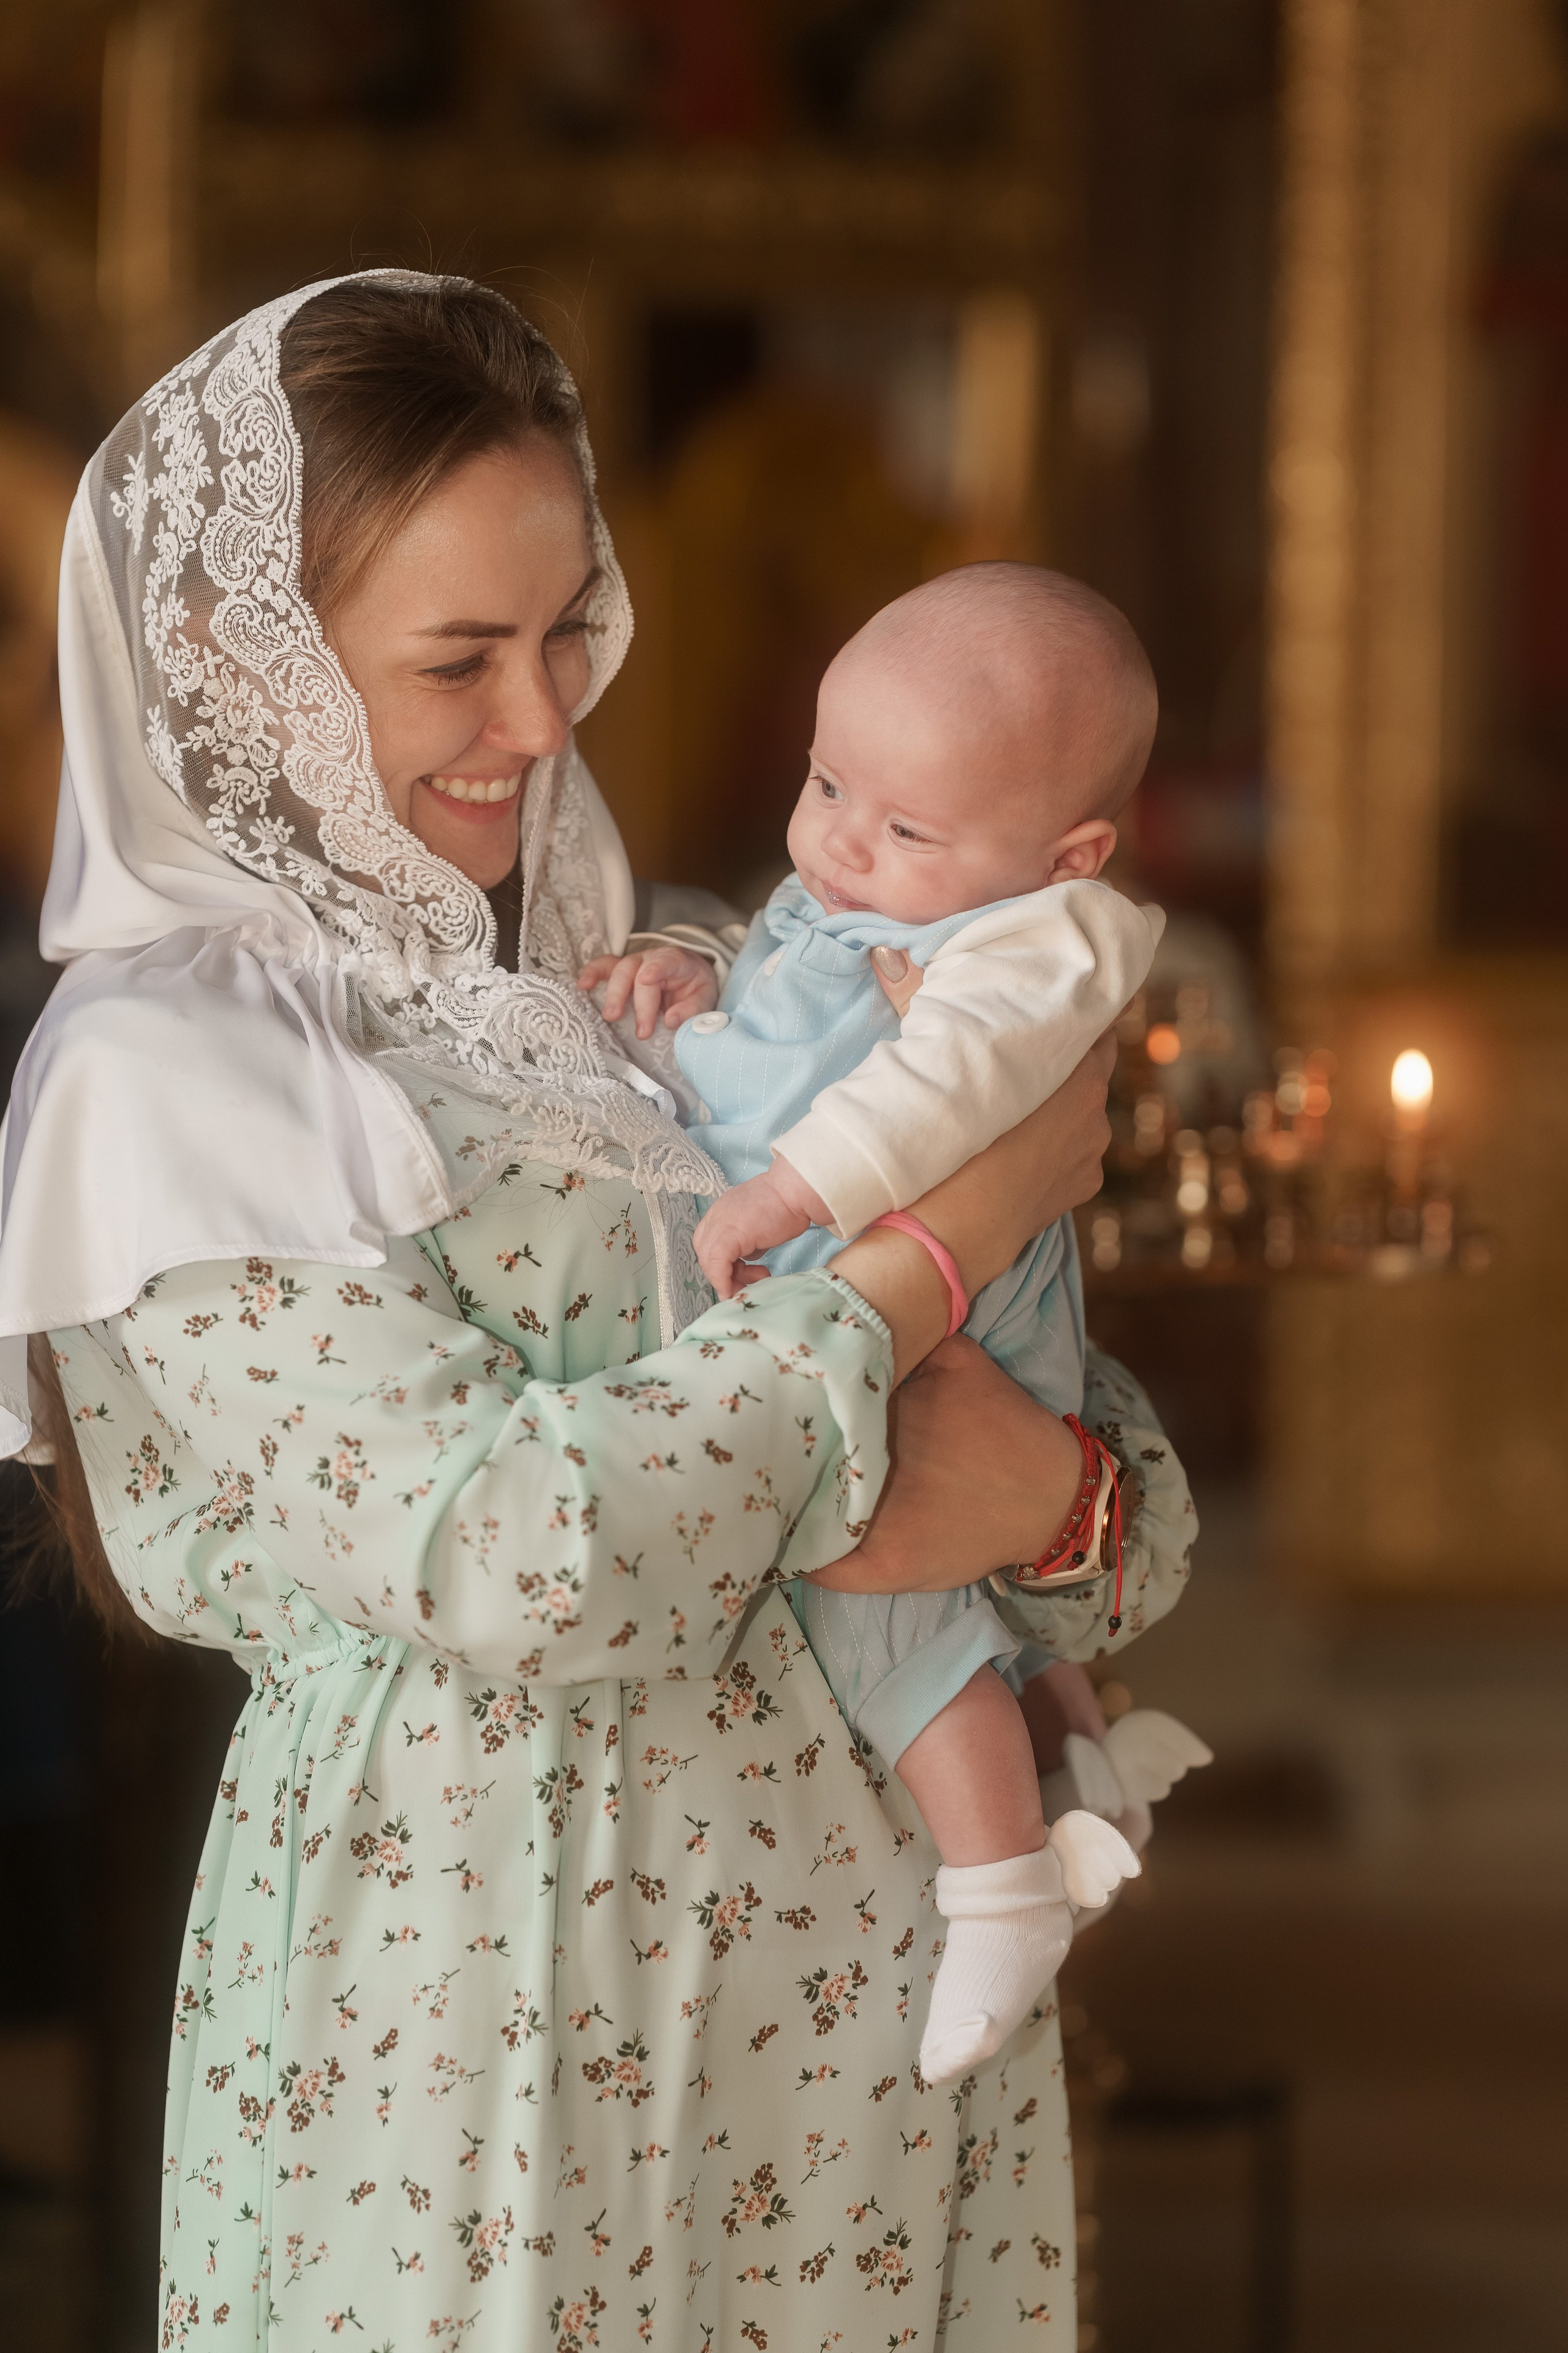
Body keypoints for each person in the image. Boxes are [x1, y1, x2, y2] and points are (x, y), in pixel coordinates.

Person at [0, 271, 1196, 2350]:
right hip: (491, 2029)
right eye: (458, 658)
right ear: (235, 661)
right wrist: (929, 1253)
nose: (549, 719)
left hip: (875, 2036)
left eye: (567, 630)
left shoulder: (669, 994)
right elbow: (529, 1554)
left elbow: (1122, 1522)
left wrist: (1062, 1500)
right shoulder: (170, 1082)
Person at [577, 568, 1203, 2083]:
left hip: (963, 1311)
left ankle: (1002, 1890)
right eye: (824, 784)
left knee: (889, 1604)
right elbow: (788, 992)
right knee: (940, 1587)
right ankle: (1076, 1747)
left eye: (904, 826)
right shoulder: (876, 895)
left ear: (1068, 854)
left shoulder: (1044, 939)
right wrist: (699, 971)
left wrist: (791, 1188)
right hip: (862, 1285)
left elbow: (942, 1086)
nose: (842, 843)